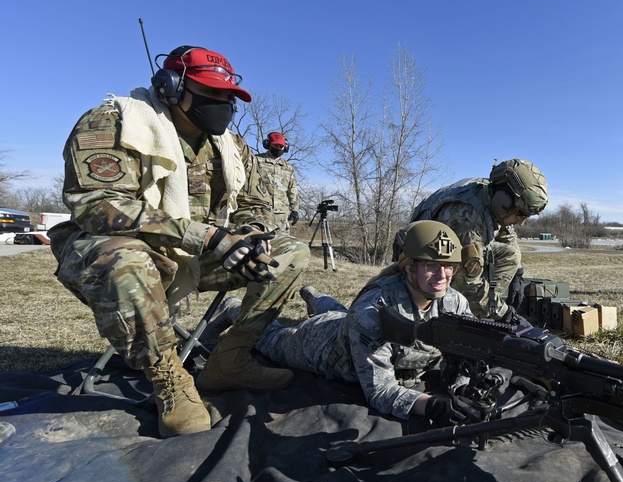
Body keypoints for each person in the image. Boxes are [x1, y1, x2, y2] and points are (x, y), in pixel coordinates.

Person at [48, 45, 310, 438]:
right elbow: (96, 207)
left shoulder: (231, 147)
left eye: (227, 98)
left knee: (290, 253)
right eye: (211, 94)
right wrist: (206, 236)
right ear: (172, 88)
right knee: (127, 260)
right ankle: (170, 379)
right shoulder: (116, 123)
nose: (221, 105)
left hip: (200, 249)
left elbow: (251, 204)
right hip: (109, 249)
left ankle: (231, 358)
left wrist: (252, 235)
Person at [227, 221, 475, 425]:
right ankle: (232, 308)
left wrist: (462, 389)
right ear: (408, 267)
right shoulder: (374, 309)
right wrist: (431, 405)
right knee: (271, 339)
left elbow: (460, 355)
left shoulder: (454, 303)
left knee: (342, 314)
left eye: (448, 266)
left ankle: (313, 295)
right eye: (431, 266)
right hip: (321, 345)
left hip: (347, 322)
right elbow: (379, 391)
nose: (442, 276)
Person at [410, 159, 548, 322]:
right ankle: (460, 314)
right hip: (423, 265)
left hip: (447, 256)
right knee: (466, 287)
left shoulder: (490, 196)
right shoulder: (467, 219)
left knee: (510, 255)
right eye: (520, 215)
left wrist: (518, 272)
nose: (521, 222)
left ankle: (485, 308)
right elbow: (469, 284)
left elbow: (508, 237)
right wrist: (504, 315)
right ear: (503, 202)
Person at [256, 132, 300, 233]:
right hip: (260, 213)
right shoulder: (256, 161)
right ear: (268, 145)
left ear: (285, 148)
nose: (278, 148)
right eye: (275, 145)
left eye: (281, 146)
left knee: (282, 245)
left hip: (281, 216)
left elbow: (292, 189)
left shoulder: (288, 167)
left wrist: (295, 210)